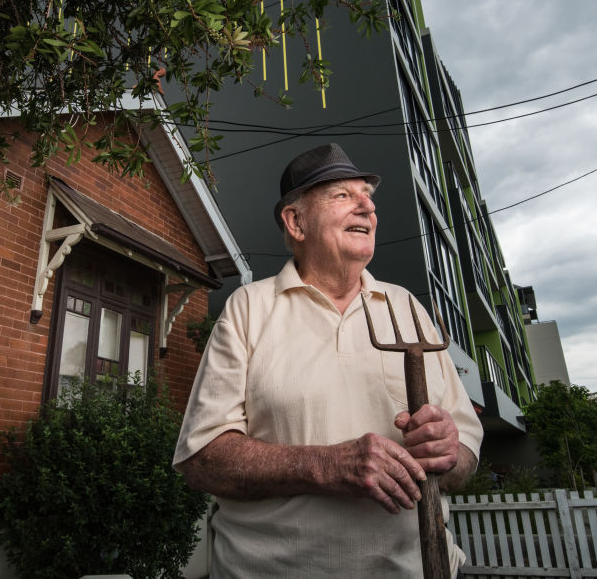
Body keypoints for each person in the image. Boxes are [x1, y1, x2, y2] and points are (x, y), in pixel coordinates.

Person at [173, 143, 483, 578]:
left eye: (367, 197)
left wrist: (448, 450)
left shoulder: (406, 309)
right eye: (342, 195)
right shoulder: (249, 308)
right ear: (296, 221)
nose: (367, 207)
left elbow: (466, 454)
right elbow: (202, 457)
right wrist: (324, 466)